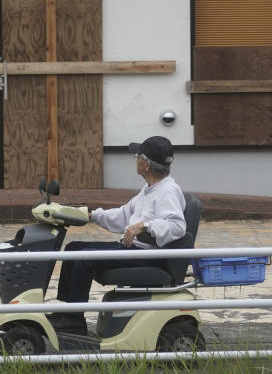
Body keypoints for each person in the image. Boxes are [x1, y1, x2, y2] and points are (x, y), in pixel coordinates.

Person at [48, 135, 186, 335]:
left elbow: (177, 226)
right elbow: (123, 214)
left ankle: (73, 321)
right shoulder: (150, 189)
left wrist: (145, 226)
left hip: (145, 256)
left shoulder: (168, 192)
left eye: (138, 157)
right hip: (132, 249)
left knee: (83, 259)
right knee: (72, 249)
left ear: (145, 165)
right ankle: (66, 311)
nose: (136, 160)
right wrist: (90, 215)